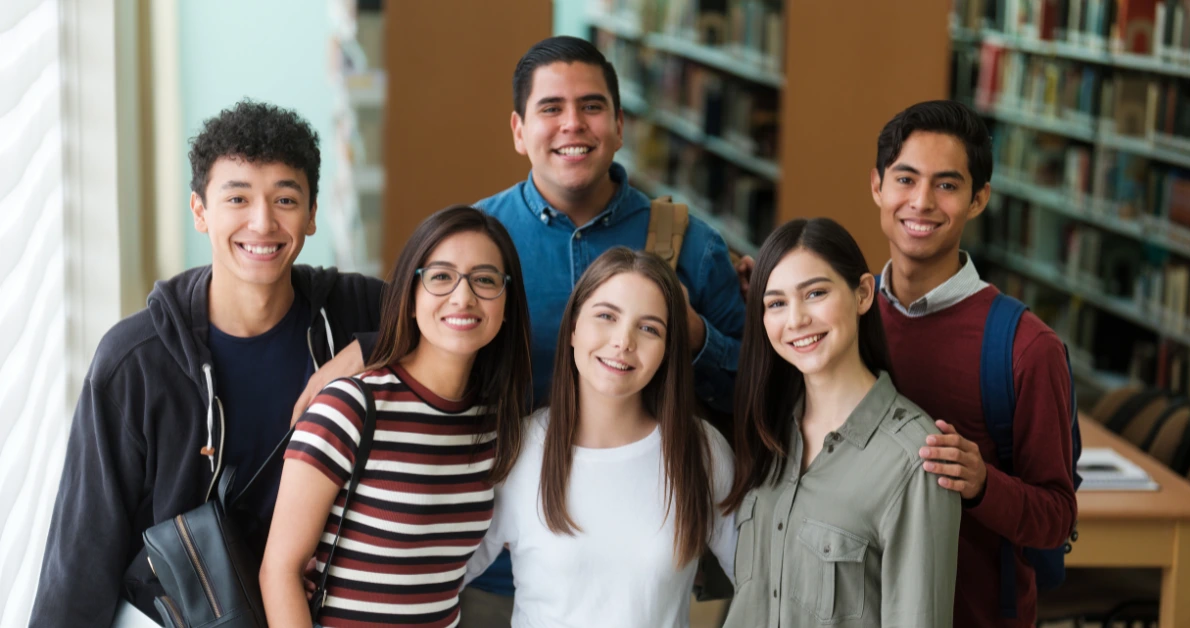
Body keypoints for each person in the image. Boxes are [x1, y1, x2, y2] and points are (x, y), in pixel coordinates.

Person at [296, 36, 750, 623]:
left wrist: (693, 338)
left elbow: (753, 391)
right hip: (482, 550)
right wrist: (369, 346)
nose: (572, 125)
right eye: (550, 109)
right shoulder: (479, 239)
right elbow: (427, 320)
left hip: (638, 555)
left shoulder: (691, 244)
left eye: (590, 107)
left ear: (618, 124)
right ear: (518, 130)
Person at [31, 100, 385, 626]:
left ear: (312, 214)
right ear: (200, 211)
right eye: (237, 198)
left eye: (285, 199)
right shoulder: (134, 362)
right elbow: (83, 554)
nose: (262, 223)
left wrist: (367, 348)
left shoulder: (358, 310)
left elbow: (491, 349)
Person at [260, 205, 532, 627]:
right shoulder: (348, 408)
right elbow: (279, 572)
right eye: (441, 277)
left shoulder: (497, 423)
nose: (463, 296)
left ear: (507, 303)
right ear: (410, 296)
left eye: (485, 280)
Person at [871, 100, 1076, 627]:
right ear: (877, 186)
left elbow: (1057, 518)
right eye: (905, 178)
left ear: (978, 199)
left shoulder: (1027, 348)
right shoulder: (847, 316)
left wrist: (984, 483)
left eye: (946, 185)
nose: (920, 202)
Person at [463, 247, 736, 627]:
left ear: (666, 351)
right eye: (606, 316)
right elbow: (436, 580)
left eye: (649, 328)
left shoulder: (702, 451)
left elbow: (767, 583)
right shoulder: (518, 450)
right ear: (573, 327)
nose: (623, 341)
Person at [721, 217, 960, 627]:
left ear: (863, 293)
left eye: (815, 293)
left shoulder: (914, 459)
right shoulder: (767, 429)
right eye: (776, 303)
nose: (795, 320)